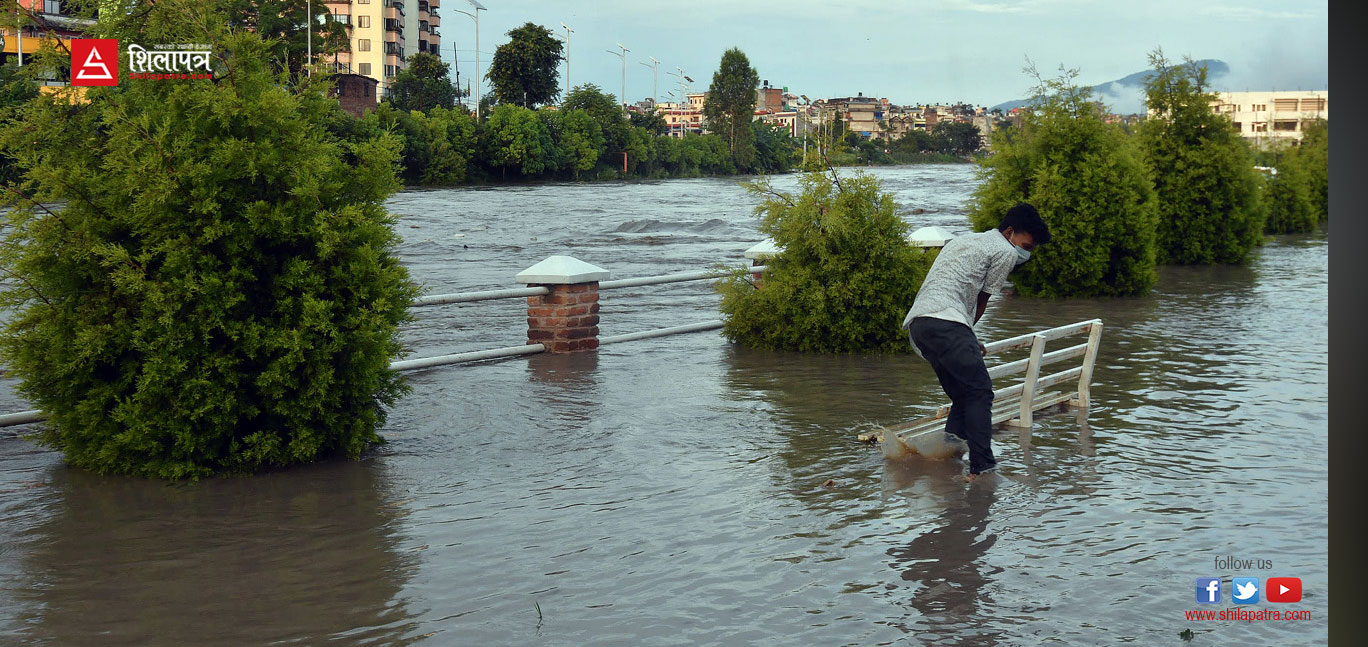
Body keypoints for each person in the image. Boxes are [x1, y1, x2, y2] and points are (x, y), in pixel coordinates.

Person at [902, 202, 1051, 482]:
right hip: (948, 322)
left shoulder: (964, 240)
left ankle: (948, 456)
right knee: (981, 392)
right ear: (1009, 232)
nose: (1025, 253)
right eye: (1026, 246)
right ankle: (982, 469)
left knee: (963, 394)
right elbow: (981, 301)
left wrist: (966, 337)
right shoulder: (1004, 250)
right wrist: (966, 334)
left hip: (920, 324)